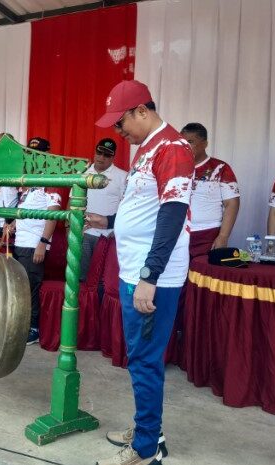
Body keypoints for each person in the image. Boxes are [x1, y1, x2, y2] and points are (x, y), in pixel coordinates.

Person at [87, 80, 194, 465]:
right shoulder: (147, 149)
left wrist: (150, 276)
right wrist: (112, 219)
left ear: (142, 112)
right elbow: (144, 209)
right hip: (135, 268)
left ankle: (147, 448)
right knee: (139, 356)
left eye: (122, 123)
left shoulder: (174, 149)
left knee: (145, 359)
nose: (118, 132)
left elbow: (172, 214)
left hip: (154, 275)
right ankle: (149, 426)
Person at [6, 137, 61, 345]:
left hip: (34, 245)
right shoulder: (28, 180)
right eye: (30, 153)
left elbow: (53, 214)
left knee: (31, 287)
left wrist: (43, 242)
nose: (34, 157)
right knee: (20, 286)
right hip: (20, 241)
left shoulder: (51, 178)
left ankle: (34, 328)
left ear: (47, 155)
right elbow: (25, 211)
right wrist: (13, 225)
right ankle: (23, 324)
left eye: (38, 154)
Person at [181, 123, 240, 257]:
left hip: (207, 236)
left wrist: (223, 236)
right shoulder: (175, 168)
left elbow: (232, 204)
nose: (185, 146)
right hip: (178, 235)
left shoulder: (220, 168)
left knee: (201, 277)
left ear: (204, 144)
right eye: (182, 142)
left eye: (190, 142)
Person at [80, 138, 127, 281]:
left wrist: (116, 229)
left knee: (103, 280)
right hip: (85, 233)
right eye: (99, 152)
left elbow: (127, 206)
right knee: (82, 278)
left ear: (113, 157)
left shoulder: (122, 176)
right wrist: (71, 231)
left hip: (109, 235)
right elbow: (72, 203)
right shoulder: (83, 174)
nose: (101, 157)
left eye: (107, 155)